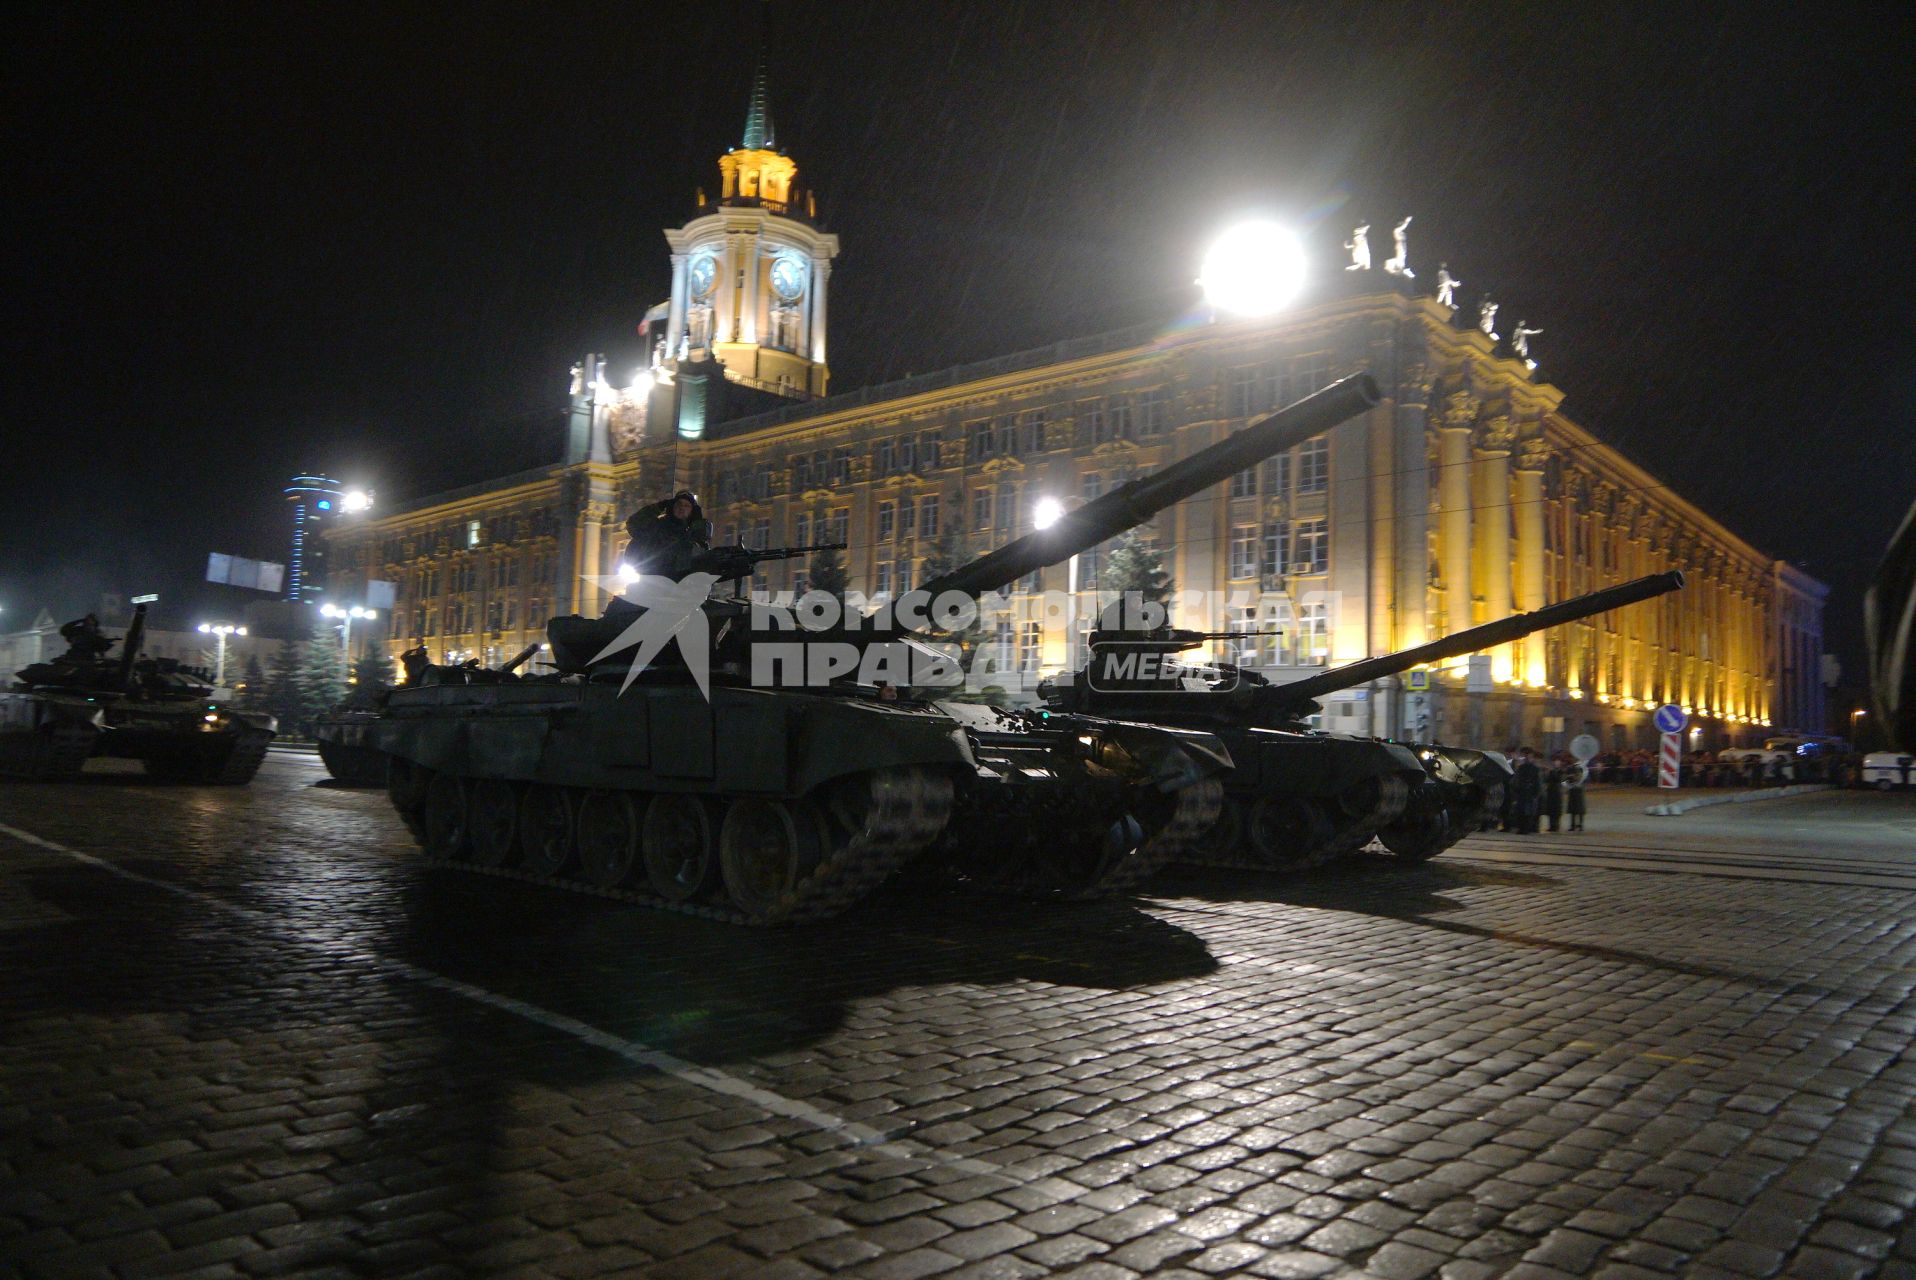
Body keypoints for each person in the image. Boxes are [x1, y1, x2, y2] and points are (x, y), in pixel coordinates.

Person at [622, 490, 713, 580]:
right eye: (678, 504)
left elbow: (701, 555)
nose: (682, 508)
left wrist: (698, 522)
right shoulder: (657, 527)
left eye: (687, 506)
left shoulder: (690, 536)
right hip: (650, 579)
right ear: (672, 506)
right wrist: (659, 506)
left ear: (692, 511)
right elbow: (634, 524)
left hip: (677, 585)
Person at [1511, 748, 1543, 834]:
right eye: (1525, 755)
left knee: (1527, 812)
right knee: (1521, 811)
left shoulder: (1535, 769)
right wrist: (1515, 791)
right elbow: (1516, 780)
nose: (1526, 757)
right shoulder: (1521, 768)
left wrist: (1536, 793)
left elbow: (1537, 782)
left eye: (1528, 755)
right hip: (1521, 792)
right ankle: (1522, 828)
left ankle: (1526, 828)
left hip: (1529, 793)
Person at [1565, 760, 1588, 831]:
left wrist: (1573, 777)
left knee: (1579, 810)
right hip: (1573, 791)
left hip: (1579, 792)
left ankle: (1580, 825)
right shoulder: (1571, 770)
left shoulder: (1582, 771)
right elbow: (1568, 780)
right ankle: (1573, 825)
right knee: (1573, 810)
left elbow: (1579, 779)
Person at [1542, 758, 1564, 833]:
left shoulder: (1561, 771)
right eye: (1555, 761)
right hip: (1551, 793)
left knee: (1556, 811)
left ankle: (1556, 825)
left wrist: (1551, 771)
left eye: (1558, 761)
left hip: (1557, 793)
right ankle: (1551, 825)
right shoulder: (1552, 771)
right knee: (1551, 810)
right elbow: (1547, 780)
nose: (1556, 763)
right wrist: (1546, 773)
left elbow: (1558, 779)